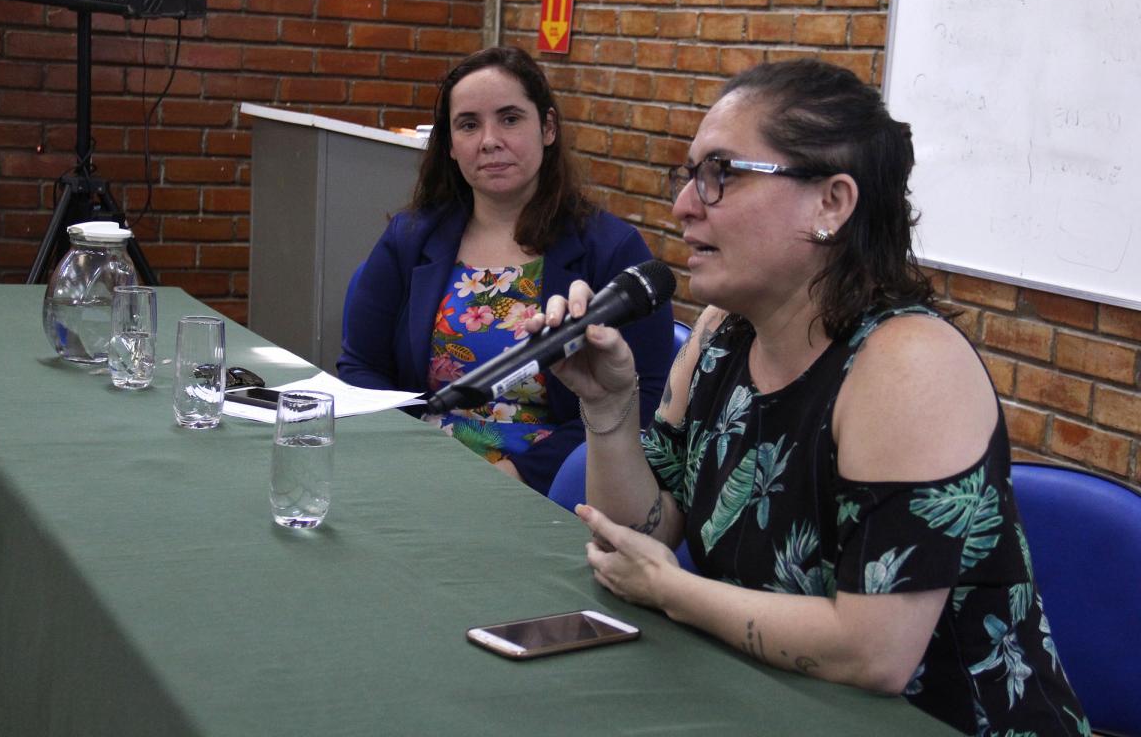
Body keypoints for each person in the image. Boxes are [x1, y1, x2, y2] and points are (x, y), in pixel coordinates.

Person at [532, 60, 1086, 735]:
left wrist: (670, 589)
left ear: (832, 203)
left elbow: (874, 651)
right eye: (688, 174)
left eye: (722, 174)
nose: (683, 205)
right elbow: (640, 537)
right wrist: (609, 408)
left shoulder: (909, 365)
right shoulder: (719, 335)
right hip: (762, 702)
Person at [337, 46, 672, 495]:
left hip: (552, 487)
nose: (489, 140)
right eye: (469, 125)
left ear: (548, 128)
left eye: (510, 118)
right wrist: (412, 455)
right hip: (418, 470)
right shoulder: (410, 238)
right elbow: (361, 368)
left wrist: (516, 479)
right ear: (451, 146)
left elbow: (645, 400)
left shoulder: (612, 250)